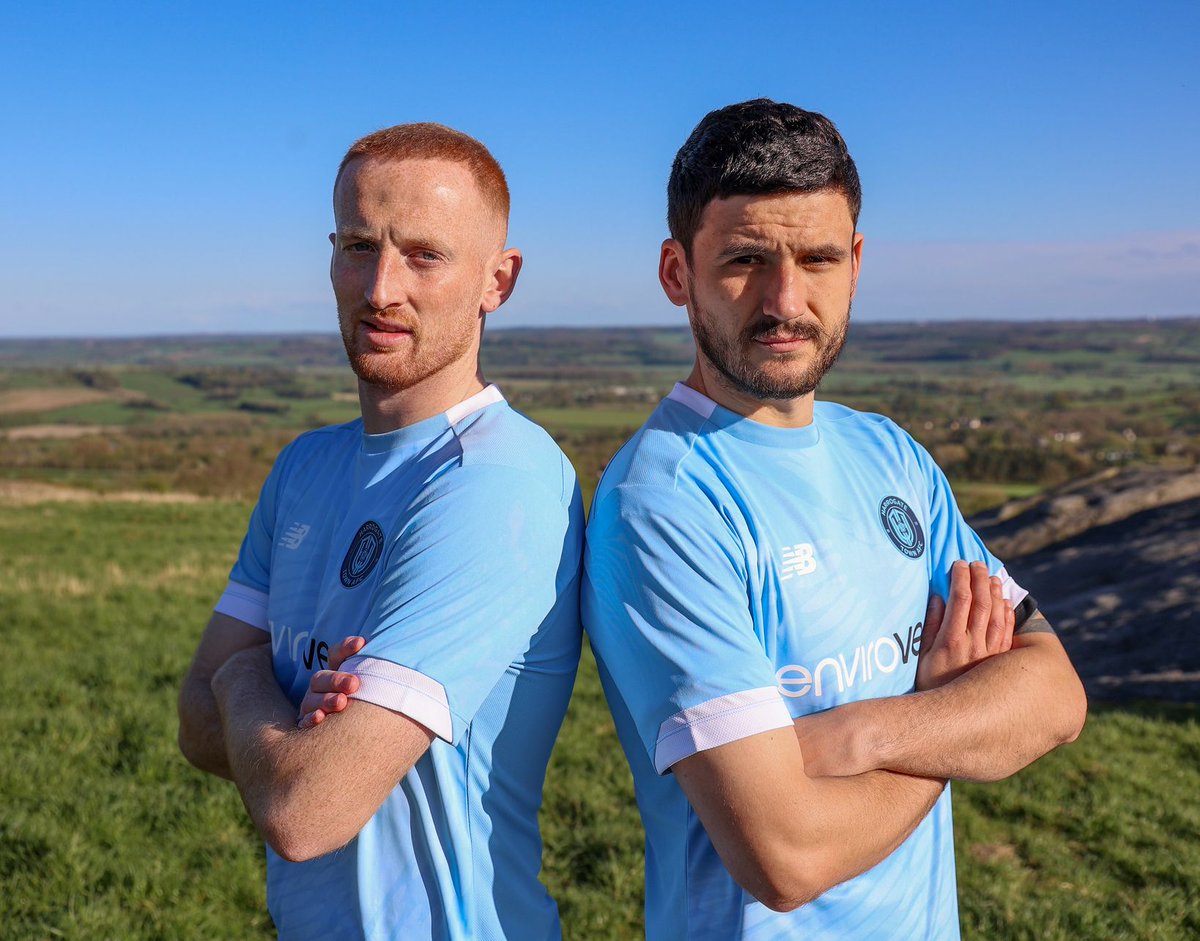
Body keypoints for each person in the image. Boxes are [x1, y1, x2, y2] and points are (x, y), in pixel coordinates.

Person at [580, 99, 1087, 940]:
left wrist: (850, 735)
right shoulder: (662, 503)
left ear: (855, 262)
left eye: (817, 257)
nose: (786, 299)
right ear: (678, 273)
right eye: (745, 259)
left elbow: (1055, 695)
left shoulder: (890, 454)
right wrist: (948, 715)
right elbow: (787, 857)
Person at [177, 123, 584, 941]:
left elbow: (304, 808)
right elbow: (191, 724)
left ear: (497, 280)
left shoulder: (498, 480)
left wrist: (243, 683)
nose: (381, 287)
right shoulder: (307, 466)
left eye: (424, 255)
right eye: (359, 246)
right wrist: (266, 715)